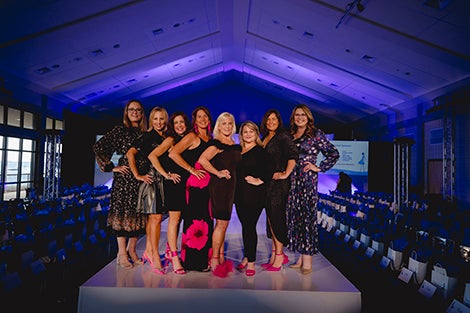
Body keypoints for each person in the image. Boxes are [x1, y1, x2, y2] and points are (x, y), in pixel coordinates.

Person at [93, 99, 147, 269]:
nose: (135, 112)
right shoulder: (119, 130)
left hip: (141, 179)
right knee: (122, 216)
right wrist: (112, 168)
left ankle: (132, 250)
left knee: (137, 216)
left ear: (142, 113)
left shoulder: (145, 132)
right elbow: (99, 147)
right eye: (131, 109)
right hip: (124, 180)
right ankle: (121, 253)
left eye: (138, 110)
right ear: (126, 112)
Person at [287, 104, 339, 274]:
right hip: (292, 181)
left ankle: (307, 259)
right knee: (296, 217)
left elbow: (333, 153)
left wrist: (319, 167)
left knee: (307, 218)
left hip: (307, 181)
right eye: (297, 115)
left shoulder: (316, 134)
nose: (300, 117)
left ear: (308, 117)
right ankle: (301, 256)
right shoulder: (291, 135)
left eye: (303, 115)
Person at [168, 106, 213, 271]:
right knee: (193, 223)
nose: (202, 119)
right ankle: (190, 261)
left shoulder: (210, 138)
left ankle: (202, 261)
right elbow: (173, 154)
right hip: (194, 188)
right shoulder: (192, 136)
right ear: (194, 120)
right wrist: (191, 169)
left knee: (206, 223)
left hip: (207, 188)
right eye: (199, 117)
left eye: (205, 116)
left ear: (209, 119)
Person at [147, 111, 192, 275]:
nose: (180, 125)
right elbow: (152, 156)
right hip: (174, 184)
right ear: (172, 126)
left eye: (182, 122)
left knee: (179, 220)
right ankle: (174, 258)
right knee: (174, 220)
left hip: (186, 184)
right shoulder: (170, 140)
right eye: (176, 123)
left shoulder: (188, 139)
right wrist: (166, 174)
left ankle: (169, 249)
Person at [198, 112, 242, 277]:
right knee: (221, 224)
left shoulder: (234, 143)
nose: (227, 126)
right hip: (220, 187)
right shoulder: (216, 144)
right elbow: (203, 160)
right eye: (224, 123)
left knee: (223, 224)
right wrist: (217, 173)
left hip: (231, 188)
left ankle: (221, 255)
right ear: (218, 126)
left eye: (230, 123)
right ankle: (215, 258)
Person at [126, 106, 168, 274]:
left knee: (154, 219)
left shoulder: (164, 137)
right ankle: (154, 254)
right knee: (156, 218)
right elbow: (130, 154)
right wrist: (137, 175)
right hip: (151, 180)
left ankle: (149, 251)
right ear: (151, 120)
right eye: (155, 119)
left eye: (161, 119)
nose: (158, 122)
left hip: (161, 181)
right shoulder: (146, 136)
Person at [260, 109, 298, 271]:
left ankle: (280, 255)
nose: (271, 122)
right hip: (268, 184)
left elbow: (293, 155)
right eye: (268, 119)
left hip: (279, 185)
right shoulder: (265, 138)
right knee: (270, 219)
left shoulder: (283, 136)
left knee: (276, 218)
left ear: (279, 121)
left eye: (274, 119)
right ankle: (276, 254)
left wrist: (286, 173)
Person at [234, 121, 274, 277]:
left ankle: (251, 263)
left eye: (251, 131)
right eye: (245, 132)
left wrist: (260, 180)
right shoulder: (239, 151)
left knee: (249, 227)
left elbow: (271, 167)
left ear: (257, 134)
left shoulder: (260, 151)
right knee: (245, 227)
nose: (248, 134)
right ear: (241, 135)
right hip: (240, 196)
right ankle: (247, 256)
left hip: (254, 195)